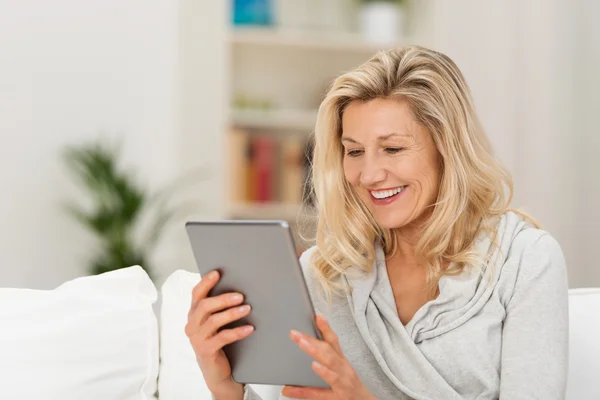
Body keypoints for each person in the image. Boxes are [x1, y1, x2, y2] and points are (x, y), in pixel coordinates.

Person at [185, 46, 569, 400]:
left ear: (446, 148)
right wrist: (226, 388)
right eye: (354, 151)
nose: (369, 175)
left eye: (393, 148)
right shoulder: (325, 274)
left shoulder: (524, 260)